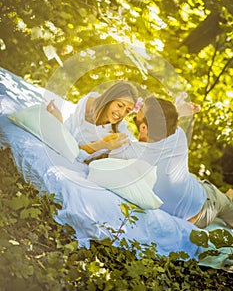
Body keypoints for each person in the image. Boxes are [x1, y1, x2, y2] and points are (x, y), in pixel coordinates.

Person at [109, 94, 233, 229]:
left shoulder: (126, 152)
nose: (137, 108)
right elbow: (166, 122)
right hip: (199, 206)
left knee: (217, 196)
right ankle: (226, 198)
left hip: (204, 205)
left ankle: (228, 198)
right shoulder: (178, 137)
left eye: (140, 110)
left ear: (144, 128)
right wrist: (178, 111)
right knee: (199, 185)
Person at [47, 81, 138, 157]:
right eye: (120, 105)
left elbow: (135, 148)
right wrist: (58, 121)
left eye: (127, 110)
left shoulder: (120, 130)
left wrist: (102, 145)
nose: (122, 113)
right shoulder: (87, 103)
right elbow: (65, 142)